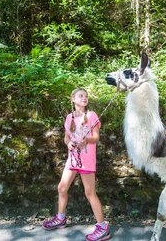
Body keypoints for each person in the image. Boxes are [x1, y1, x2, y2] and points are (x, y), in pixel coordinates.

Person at [42, 88, 110, 241]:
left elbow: (96, 137)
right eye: (81, 96)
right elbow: (66, 138)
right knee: (62, 187)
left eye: (86, 96)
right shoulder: (69, 117)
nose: (84, 98)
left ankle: (103, 227)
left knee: (89, 192)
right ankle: (60, 219)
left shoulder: (91, 115)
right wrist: (68, 144)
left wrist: (87, 141)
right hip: (72, 159)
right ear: (73, 99)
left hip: (86, 159)